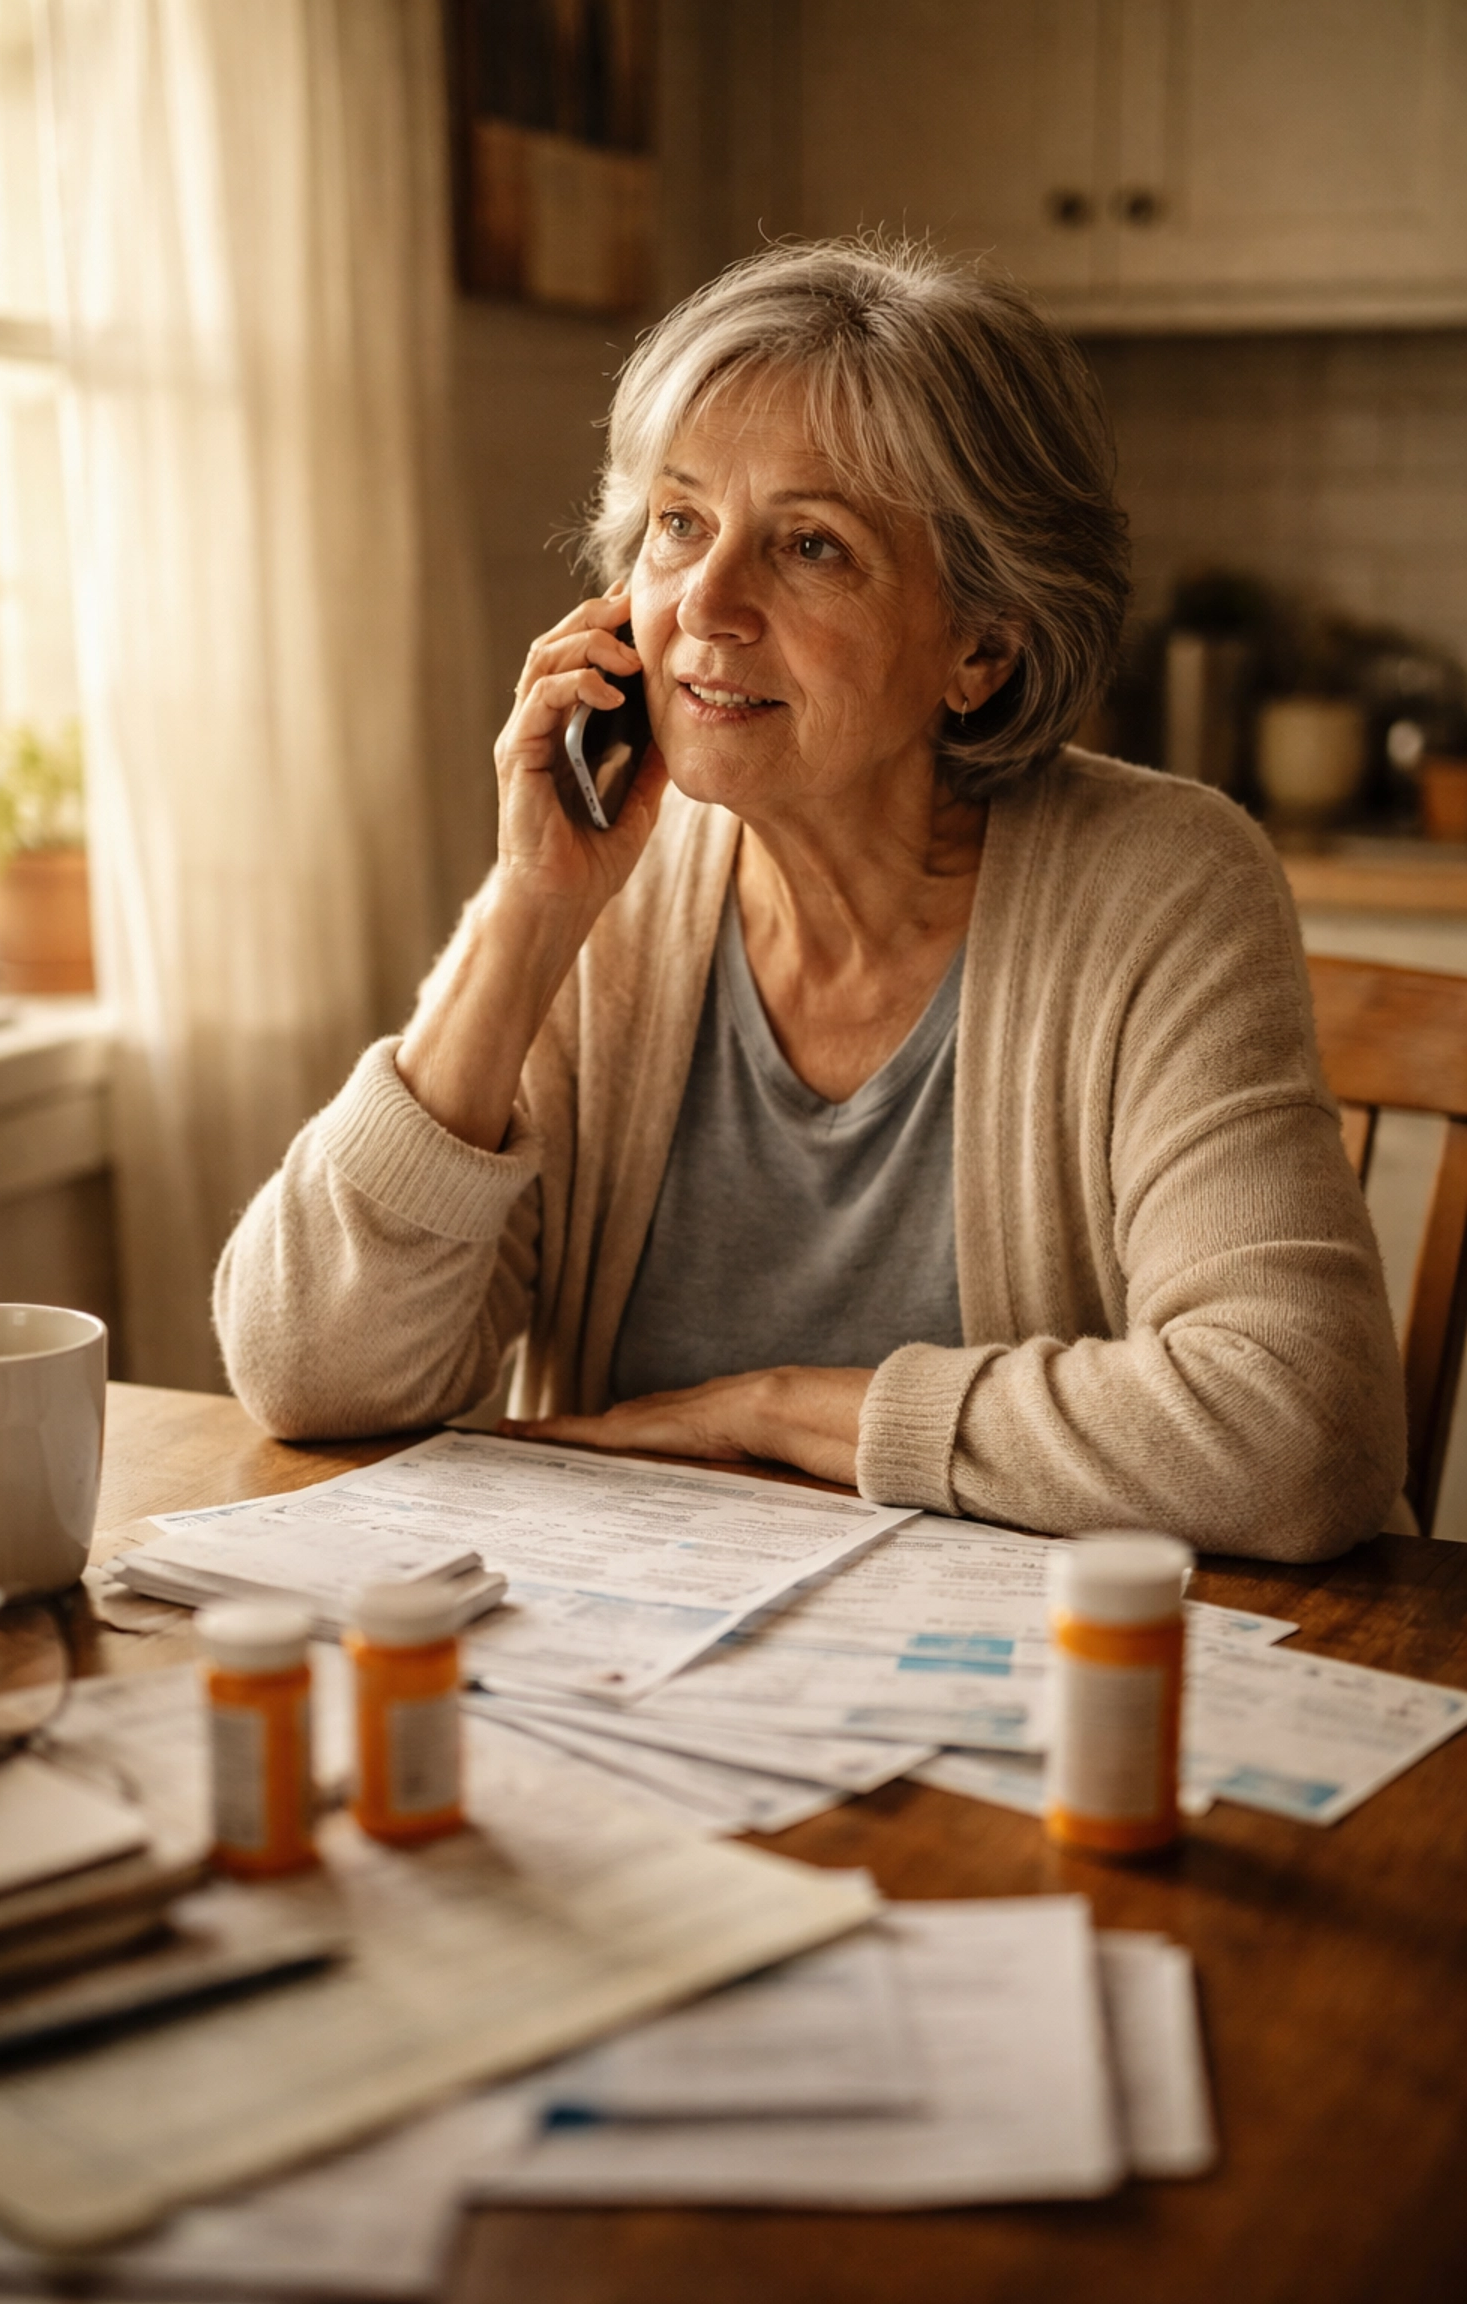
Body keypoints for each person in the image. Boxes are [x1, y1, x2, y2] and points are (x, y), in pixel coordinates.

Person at [215, 238, 1405, 1563]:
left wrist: (774, 1414)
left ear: (980, 648)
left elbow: (1302, 1436)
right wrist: (530, 909)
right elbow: (308, 1370)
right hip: (633, 1680)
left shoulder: (1163, 887)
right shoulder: (609, 892)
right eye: (680, 523)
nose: (707, 605)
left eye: (811, 546)